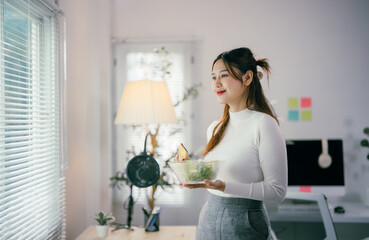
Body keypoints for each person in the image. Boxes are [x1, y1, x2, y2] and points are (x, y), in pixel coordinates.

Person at [177, 47, 287, 240]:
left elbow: (277, 191)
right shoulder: (214, 128)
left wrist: (224, 187)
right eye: (213, 77)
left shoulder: (264, 124)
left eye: (223, 75)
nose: (216, 84)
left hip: (246, 223)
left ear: (247, 78)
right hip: (209, 219)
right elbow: (217, 175)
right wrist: (193, 174)